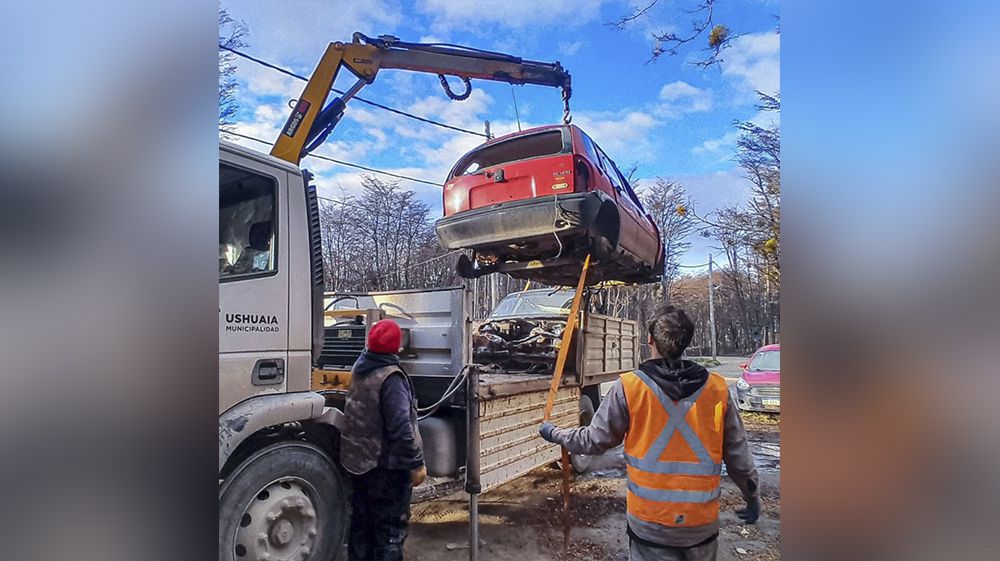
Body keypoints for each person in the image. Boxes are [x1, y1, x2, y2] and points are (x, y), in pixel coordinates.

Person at [539, 305, 759, 561]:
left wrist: (555, 433)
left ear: (650, 340)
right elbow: (738, 455)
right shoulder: (717, 388)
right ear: (687, 342)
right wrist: (752, 495)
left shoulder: (630, 387)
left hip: (650, 525)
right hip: (701, 526)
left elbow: (595, 440)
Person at [340, 319, 426, 561]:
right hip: (386, 469)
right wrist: (416, 463)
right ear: (396, 347)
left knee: (361, 526)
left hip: (358, 464)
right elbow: (400, 428)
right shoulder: (392, 378)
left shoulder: (360, 367)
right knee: (389, 533)